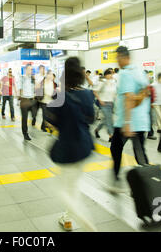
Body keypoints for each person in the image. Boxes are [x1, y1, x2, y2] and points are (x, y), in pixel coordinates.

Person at [44, 57, 97, 232]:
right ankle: (68, 218)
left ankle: (86, 222)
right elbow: (91, 119)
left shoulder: (60, 96)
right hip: (84, 146)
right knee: (73, 185)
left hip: (68, 148)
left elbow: (49, 120)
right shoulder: (88, 94)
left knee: (62, 190)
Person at [109, 46, 150, 193]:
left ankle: (144, 185)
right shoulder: (139, 71)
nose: (117, 61)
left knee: (117, 149)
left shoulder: (126, 73)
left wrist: (127, 123)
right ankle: (142, 184)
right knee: (139, 153)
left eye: (117, 58)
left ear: (123, 57)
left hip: (127, 122)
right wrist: (137, 99)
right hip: (140, 120)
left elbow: (128, 99)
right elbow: (146, 92)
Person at [93, 69, 117, 142]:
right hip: (104, 103)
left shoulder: (113, 82)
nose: (112, 75)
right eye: (110, 74)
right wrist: (100, 100)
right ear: (106, 75)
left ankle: (97, 130)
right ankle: (111, 136)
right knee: (109, 120)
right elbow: (95, 91)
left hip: (111, 103)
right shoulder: (102, 82)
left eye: (112, 73)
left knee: (105, 120)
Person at [19, 64, 37, 141]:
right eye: (30, 69)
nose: (31, 71)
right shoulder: (22, 78)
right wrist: (20, 98)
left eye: (32, 69)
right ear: (26, 70)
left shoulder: (32, 78)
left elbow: (35, 88)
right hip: (24, 100)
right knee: (25, 118)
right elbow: (20, 88)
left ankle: (34, 119)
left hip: (32, 99)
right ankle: (25, 133)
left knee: (34, 114)